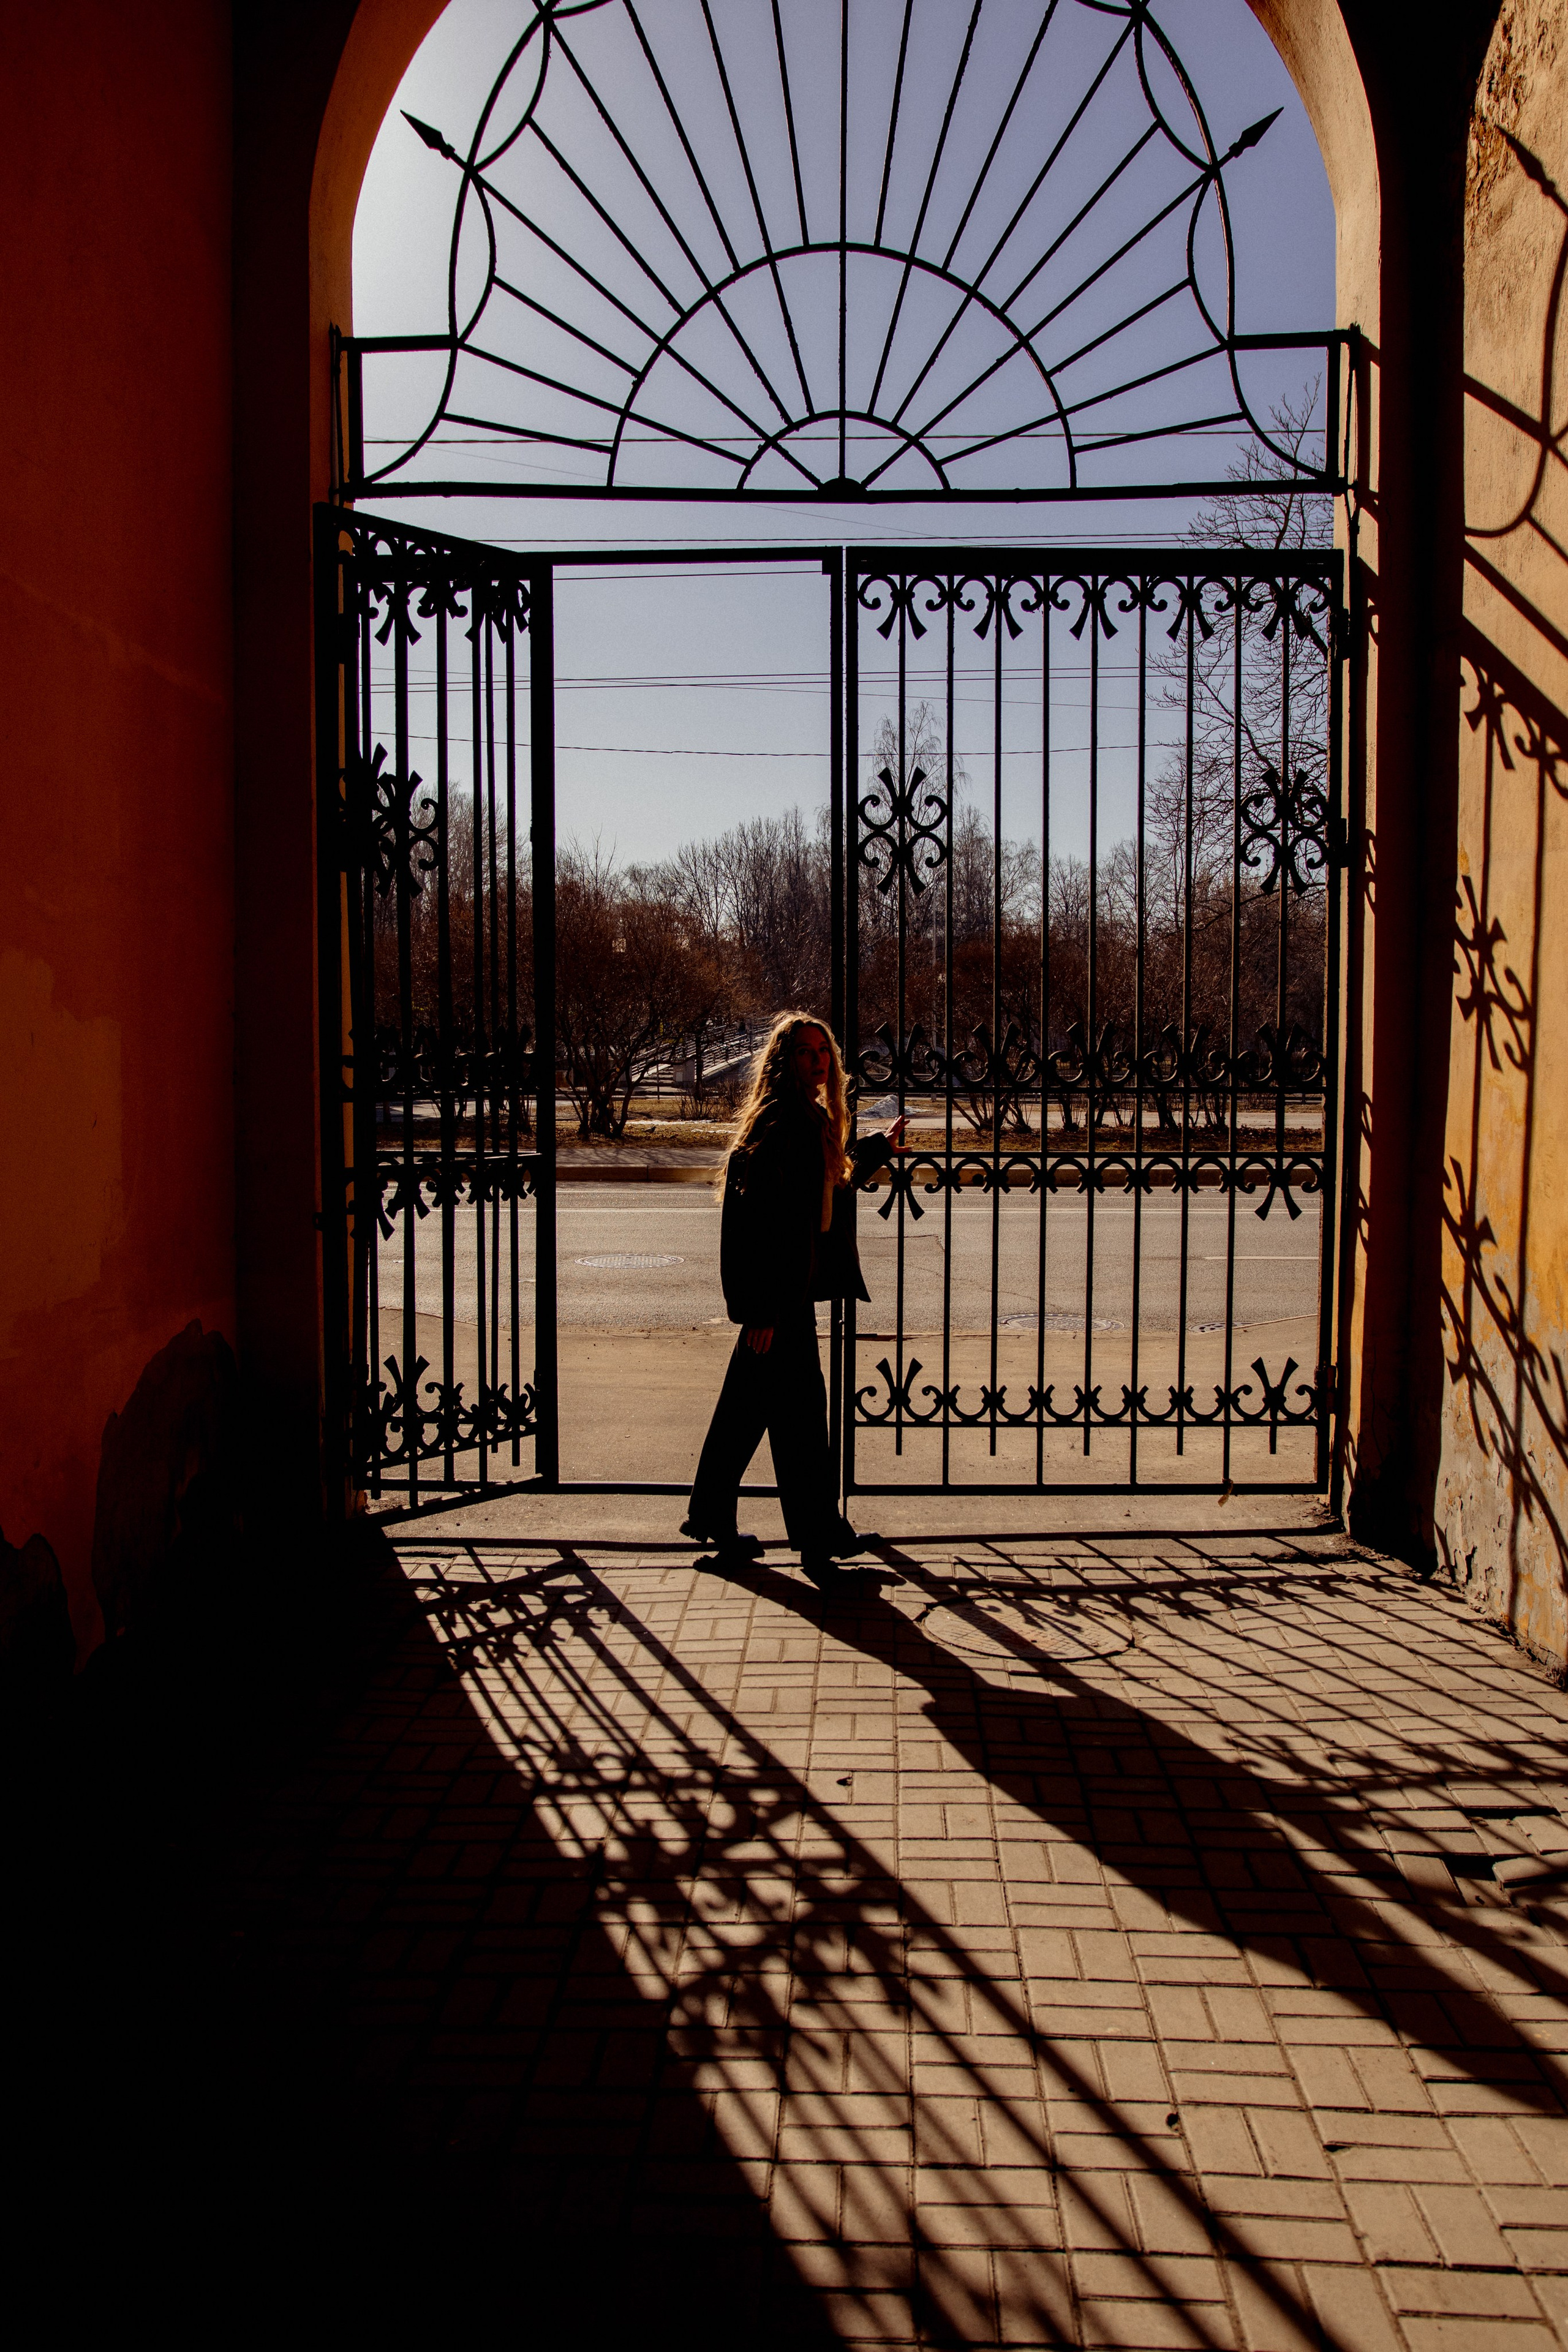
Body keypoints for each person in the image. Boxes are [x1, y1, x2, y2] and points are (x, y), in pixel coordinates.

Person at [682, 1011, 907, 1596]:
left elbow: (828, 1187)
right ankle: (815, 1534)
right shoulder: (783, 1123)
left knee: (759, 1412)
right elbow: (752, 1223)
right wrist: (759, 1310)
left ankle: (728, 1521)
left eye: (823, 1052)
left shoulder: (804, 1119)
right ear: (785, 1061)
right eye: (806, 1052)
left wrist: (878, 1146)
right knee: (795, 1415)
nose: (819, 1061)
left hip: (785, 1295)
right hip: (777, 1299)